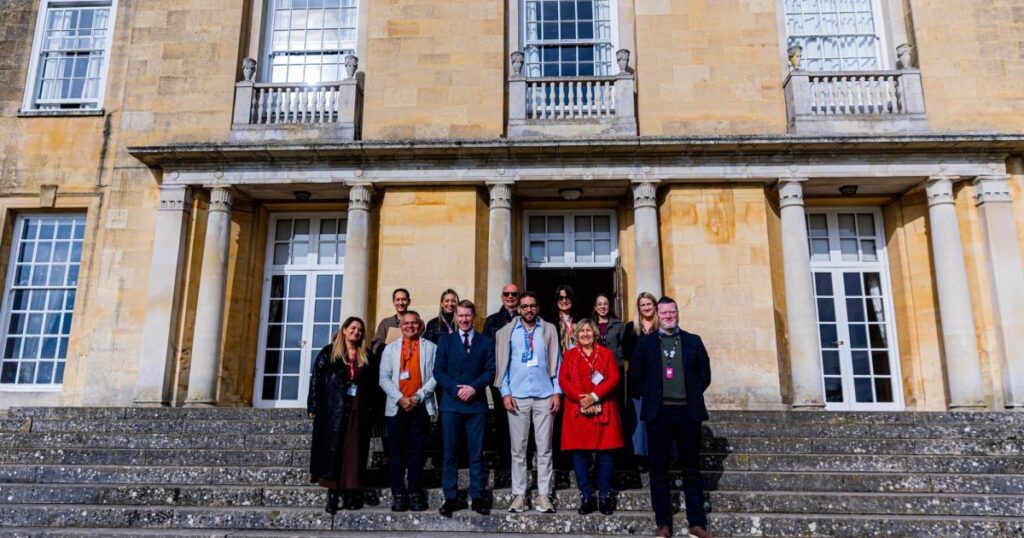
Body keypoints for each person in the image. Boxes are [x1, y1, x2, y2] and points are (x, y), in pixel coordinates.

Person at [629, 297, 712, 538]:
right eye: (663, 312)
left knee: (691, 469)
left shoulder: (693, 341)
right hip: (659, 414)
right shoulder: (645, 344)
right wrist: (653, 394)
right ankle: (663, 523)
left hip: (688, 412)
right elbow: (635, 376)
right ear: (657, 314)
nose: (668, 316)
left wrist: (691, 393)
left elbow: (704, 374)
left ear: (677, 313)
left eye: (671, 311)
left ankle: (696, 523)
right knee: (658, 470)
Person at [495, 291, 561, 514]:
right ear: (519, 309)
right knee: (518, 449)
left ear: (538, 307)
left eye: (532, 306)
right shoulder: (507, 332)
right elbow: (502, 366)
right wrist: (505, 393)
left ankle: (544, 495)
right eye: (524, 306)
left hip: (544, 395)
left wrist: (556, 392)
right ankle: (519, 495)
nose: (528, 310)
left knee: (544, 449)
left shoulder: (549, 329)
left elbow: (557, 361)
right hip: (518, 397)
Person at [433, 300, 496, 517]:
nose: (464, 319)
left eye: (468, 315)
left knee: (476, 454)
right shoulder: (446, 342)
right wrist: (455, 389)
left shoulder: (486, 342)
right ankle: (450, 498)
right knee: (449, 454)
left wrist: (473, 388)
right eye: (460, 315)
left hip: (476, 406)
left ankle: (477, 497)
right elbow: (438, 372)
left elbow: (490, 371)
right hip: (451, 405)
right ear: (455, 317)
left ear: (474, 316)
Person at [308, 317, 374, 513]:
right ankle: (333, 494)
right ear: (344, 330)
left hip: (357, 409)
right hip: (333, 408)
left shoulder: (366, 355)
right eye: (353, 328)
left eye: (360, 330)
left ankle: (352, 491)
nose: (356, 332)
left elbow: (372, 384)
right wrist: (313, 404)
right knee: (333, 449)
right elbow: (316, 380)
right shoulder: (329, 353)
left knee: (354, 451)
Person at [558, 318, 623, 516]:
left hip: (603, 407)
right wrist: (581, 399)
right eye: (581, 331)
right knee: (579, 454)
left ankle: (603, 496)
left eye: (589, 330)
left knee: (605, 454)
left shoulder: (606, 354)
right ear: (576, 335)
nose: (585, 334)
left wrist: (594, 396)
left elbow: (614, 378)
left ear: (595, 334)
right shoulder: (569, 355)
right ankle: (586, 496)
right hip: (577, 410)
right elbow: (563, 379)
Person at [379, 311, 437, 512]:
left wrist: (418, 396)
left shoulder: (431, 348)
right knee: (396, 452)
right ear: (401, 325)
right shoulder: (390, 349)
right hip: (397, 407)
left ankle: (414, 491)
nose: (410, 326)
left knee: (417, 452)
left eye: (414, 323)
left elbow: (436, 375)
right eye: (406, 323)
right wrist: (400, 398)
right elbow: (384, 378)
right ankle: (398, 493)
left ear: (420, 325)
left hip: (420, 406)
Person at [481, 283, 520, 468]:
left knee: (522, 419)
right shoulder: (492, 321)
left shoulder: (525, 318)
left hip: (521, 377)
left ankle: (522, 459)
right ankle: (505, 460)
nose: (510, 296)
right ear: (502, 296)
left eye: (514, 293)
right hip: (499, 377)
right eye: (507, 293)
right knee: (502, 418)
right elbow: (486, 350)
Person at [622, 291, 658, 470]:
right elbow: (627, 352)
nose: (646, 308)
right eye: (643, 305)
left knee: (657, 420)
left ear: (654, 305)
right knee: (639, 421)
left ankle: (656, 454)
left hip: (658, 382)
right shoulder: (631, 328)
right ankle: (640, 457)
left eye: (649, 304)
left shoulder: (661, 327)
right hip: (637, 380)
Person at [371, 288, 411, 357]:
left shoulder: (417, 323)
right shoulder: (385, 323)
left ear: (409, 301)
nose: (401, 303)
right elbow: (376, 344)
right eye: (397, 300)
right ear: (393, 302)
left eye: (404, 299)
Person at [592, 293, 625, 366]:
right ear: (595, 307)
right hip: (596, 366)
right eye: (599, 304)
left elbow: (625, 346)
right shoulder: (590, 325)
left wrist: (619, 355)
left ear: (609, 306)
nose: (602, 306)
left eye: (605, 304)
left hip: (615, 365)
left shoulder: (618, 325)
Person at [545, 285, 577, 352]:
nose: (564, 301)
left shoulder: (580, 319)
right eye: (560, 298)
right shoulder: (549, 321)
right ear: (556, 300)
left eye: (567, 297)